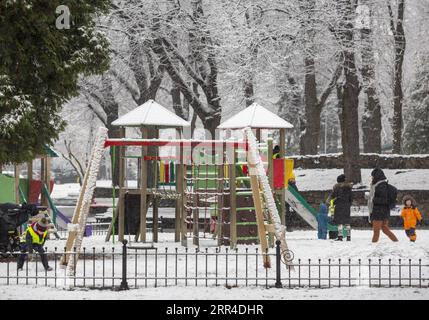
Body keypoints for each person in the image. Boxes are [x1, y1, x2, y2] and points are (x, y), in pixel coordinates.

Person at [368, 168, 398, 243]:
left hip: (379, 212)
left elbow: (384, 200)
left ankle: (373, 244)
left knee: (376, 231)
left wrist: (373, 199)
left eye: (373, 176)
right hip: (383, 211)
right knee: (384, 229)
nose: (372, 178)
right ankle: (396, 241)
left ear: (376, 176)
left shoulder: (380, 186)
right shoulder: (380, 185)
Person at [327, 174, 353, 241]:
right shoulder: (348, 188)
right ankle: (348, 236)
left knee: (339, 223)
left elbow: (333, 197)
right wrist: (349, 204)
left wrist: (330, 202)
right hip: (347, 206)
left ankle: (340, 236)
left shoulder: (336, 188)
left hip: (339, 206)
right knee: (347, 222)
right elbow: (351, 198)